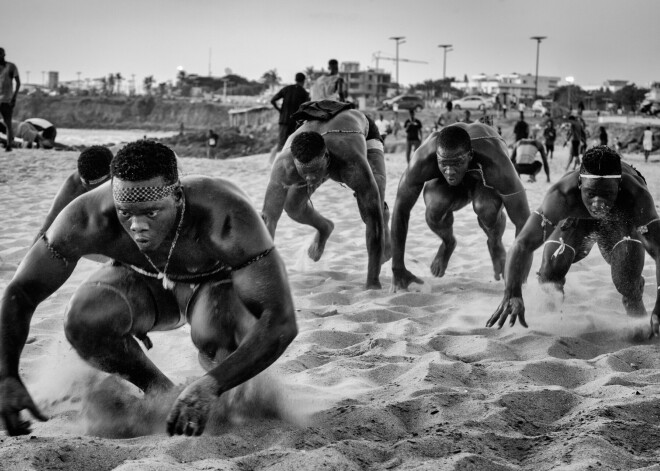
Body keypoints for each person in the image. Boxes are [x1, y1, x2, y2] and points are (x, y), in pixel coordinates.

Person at [0, 140, 297, 437]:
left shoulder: (225, 214)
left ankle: (226, 391)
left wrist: (213, 383)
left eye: (151, 213)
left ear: (178, 196)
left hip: (212, 285)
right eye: (126, 213)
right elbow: (21, 291)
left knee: (223, 330)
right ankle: (160, 393)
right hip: (142, 284)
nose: (137, 225)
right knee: (85, 319)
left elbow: (281, 320)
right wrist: (7, 374)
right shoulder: (89, 217)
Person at [487, 146, 660, 335]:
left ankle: (638, 317)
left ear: (619, 187)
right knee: (550, 272)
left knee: (626, 278)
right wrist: (512, 293)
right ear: (579, 184)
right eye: (591, 194)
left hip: (620, 219)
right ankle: (550, 324)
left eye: (607, 195)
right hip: (576, 219)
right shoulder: (562, 195)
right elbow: (522, 244)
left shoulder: (636, 195)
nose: (598, 203)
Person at [261, 100, 390, 289]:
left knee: (372, 206)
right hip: (314, 136)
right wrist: (264, 273)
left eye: (315, 172)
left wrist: (373, 280)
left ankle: (387, 221)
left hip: (360, 132)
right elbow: (268, 220)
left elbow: (373, 220)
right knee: (292, 206)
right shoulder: (284, 166)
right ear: (295, 163)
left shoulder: (352, 162)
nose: (310, 179)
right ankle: (324, 228)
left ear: (327, 158)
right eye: (304, 173)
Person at [391, 123, 530, 290]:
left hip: (483, 177)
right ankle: (448, 243)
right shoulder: (423, 159)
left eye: (456, 163)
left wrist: (516, 284)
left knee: (486, 209)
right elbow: (400, 209)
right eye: (444, 164)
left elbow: (524, 222)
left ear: (470, 155)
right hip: (451, 182)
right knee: (435, 206)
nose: (449, 171)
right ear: (437, 156)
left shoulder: (496, 163)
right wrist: (397, 269)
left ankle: (494, 242)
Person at [33, 145, 113, 243]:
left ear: (111, 175)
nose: (92, 192)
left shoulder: (125, 177)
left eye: (97, 187)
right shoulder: (73, 185)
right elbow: (46, 228)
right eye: (87, 187)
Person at [270, 72, 310, 152]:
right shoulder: (304, 93)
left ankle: (277, 160)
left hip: (284, 120)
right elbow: (306, 108)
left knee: (281, 143)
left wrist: (280, 110)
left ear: (295, 79)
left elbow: (272, 100)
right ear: (303, 81)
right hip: (295, 122)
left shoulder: (287, 89)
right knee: (294, 143)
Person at [0, 47, 20, 152]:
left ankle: (9, 145)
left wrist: (14, 98)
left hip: (7, 100)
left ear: (3, 55)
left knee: (8, 124)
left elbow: (18, 82)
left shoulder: (10, 67)